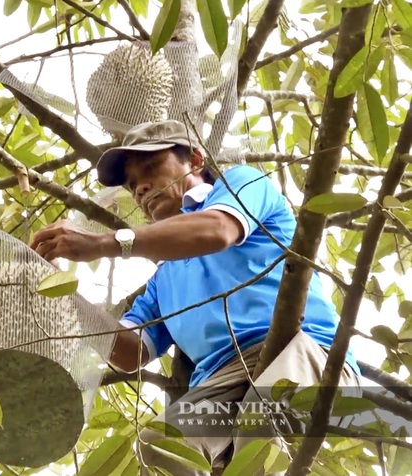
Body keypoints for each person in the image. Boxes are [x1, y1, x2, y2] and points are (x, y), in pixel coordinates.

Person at [30, 120, 361, 475]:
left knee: (261, 432)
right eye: (132, 185)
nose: (140, 188)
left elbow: (218, 230)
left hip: (302, 349)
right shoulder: (163, 279)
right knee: (158, 448)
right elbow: (131, 351)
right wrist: (59, 292)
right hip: (220, 381)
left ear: (196, 160)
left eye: (152, 168)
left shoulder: (240, 185)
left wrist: (101, 244)